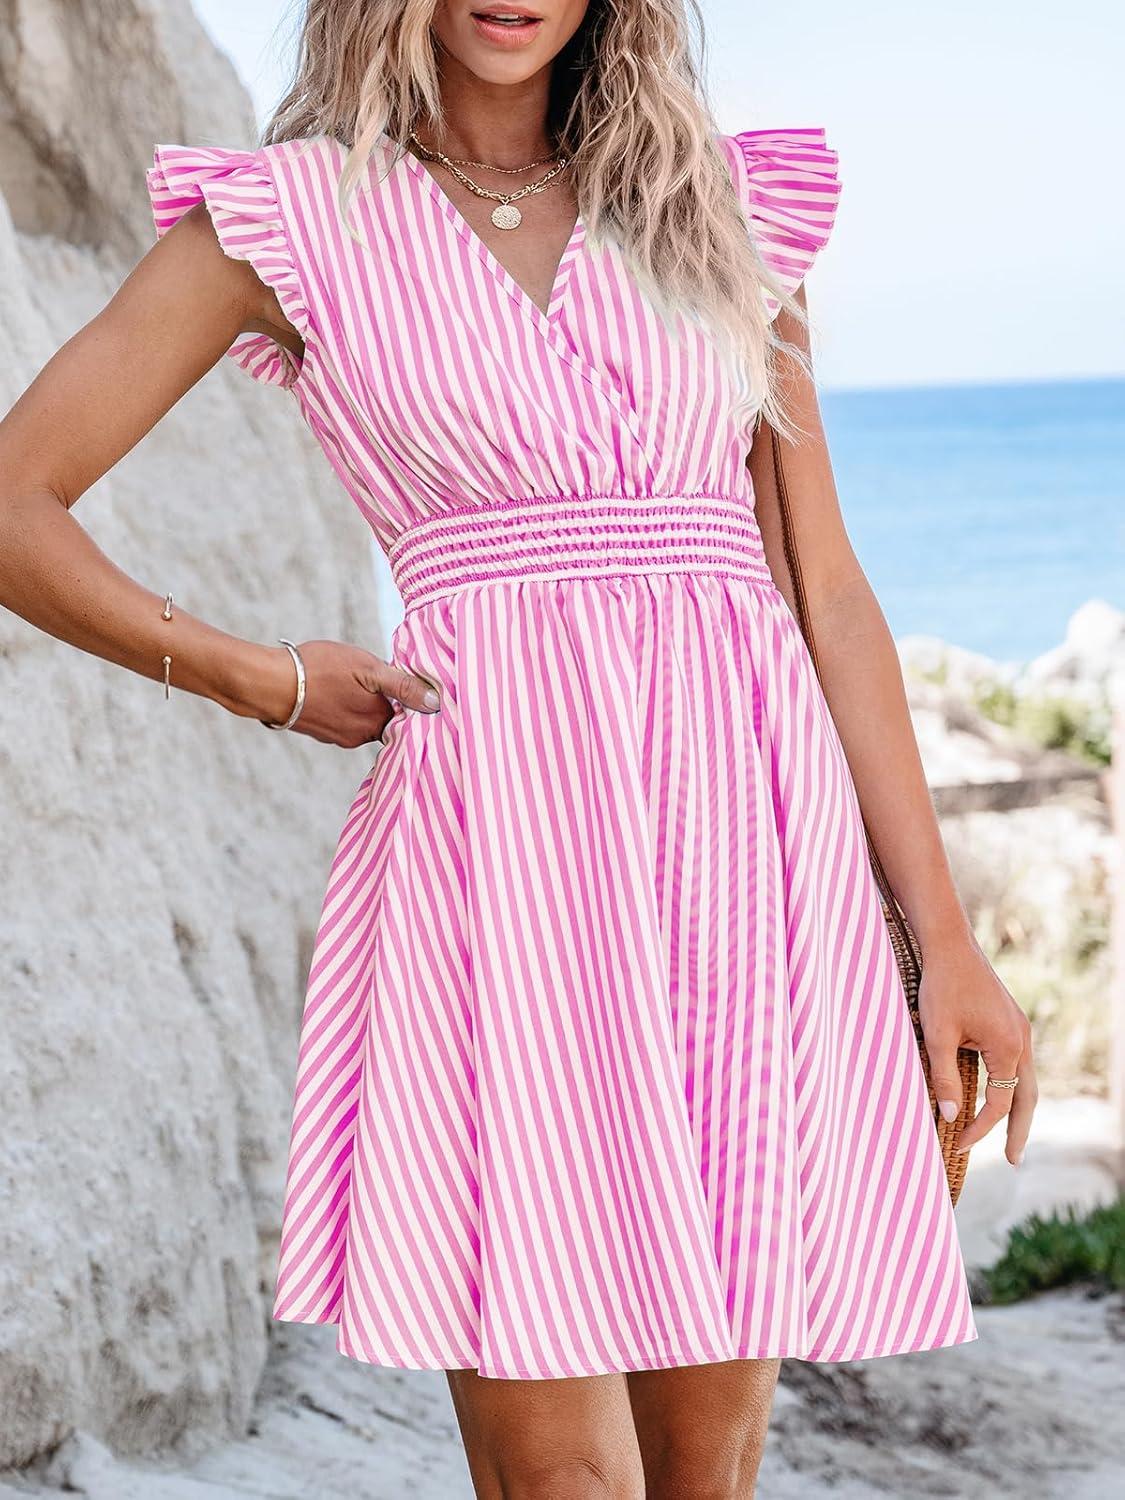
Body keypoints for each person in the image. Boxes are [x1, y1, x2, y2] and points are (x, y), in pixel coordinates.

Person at [0, 1, 1037, 1494]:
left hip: (736, 861)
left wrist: (945, 943)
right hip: (498, 871)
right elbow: (18, 499)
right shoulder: (290, 224)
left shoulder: (717, 205)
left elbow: (824, 590)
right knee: (562, 1479)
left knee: (704, 1474)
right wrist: (258, 676)